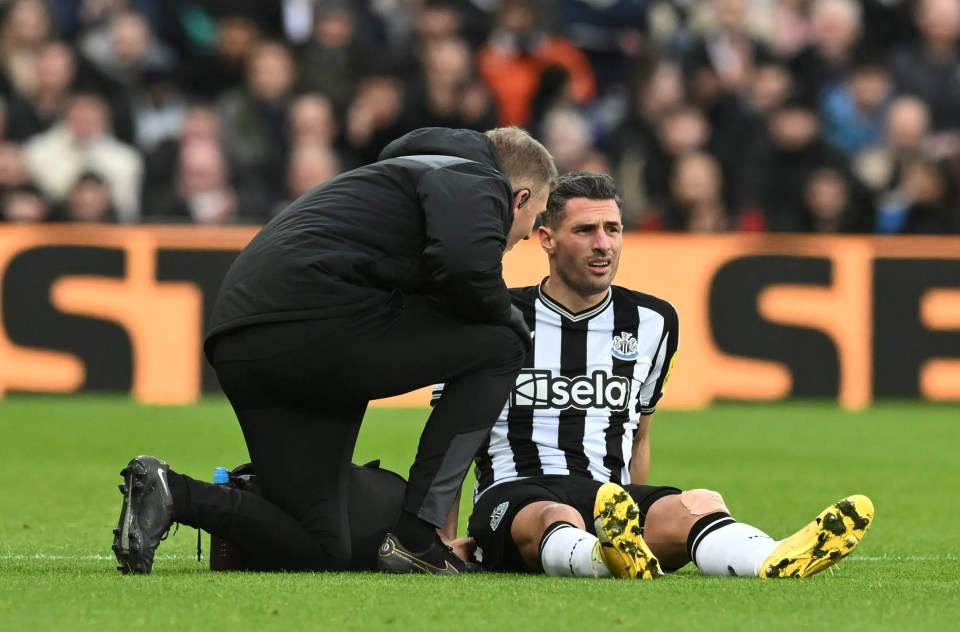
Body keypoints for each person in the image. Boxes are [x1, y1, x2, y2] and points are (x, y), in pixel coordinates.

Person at [111, 126, 557, 575]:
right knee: (502, 344)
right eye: (528, 226)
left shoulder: (407, 175)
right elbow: (465, 268)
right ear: (517, 199)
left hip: (246, 343)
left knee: (322, 547)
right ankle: (418, 538)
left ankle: (172, 492)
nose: (520, 238)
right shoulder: (474, 178)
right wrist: (515, 319)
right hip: (313, 328)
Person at [450, 172, 873, 579]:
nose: (603, 245)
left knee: (699, 504)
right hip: (513, 495)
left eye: (613, 229)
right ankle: (607, 556)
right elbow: (454, 436)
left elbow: (639, 436)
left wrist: (636, 510)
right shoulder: (496, 318)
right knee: (555, 516)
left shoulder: (653, 321)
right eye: (585, 231)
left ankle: (771, 557)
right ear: (547, 239)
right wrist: (440, 540)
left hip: (606, 498)